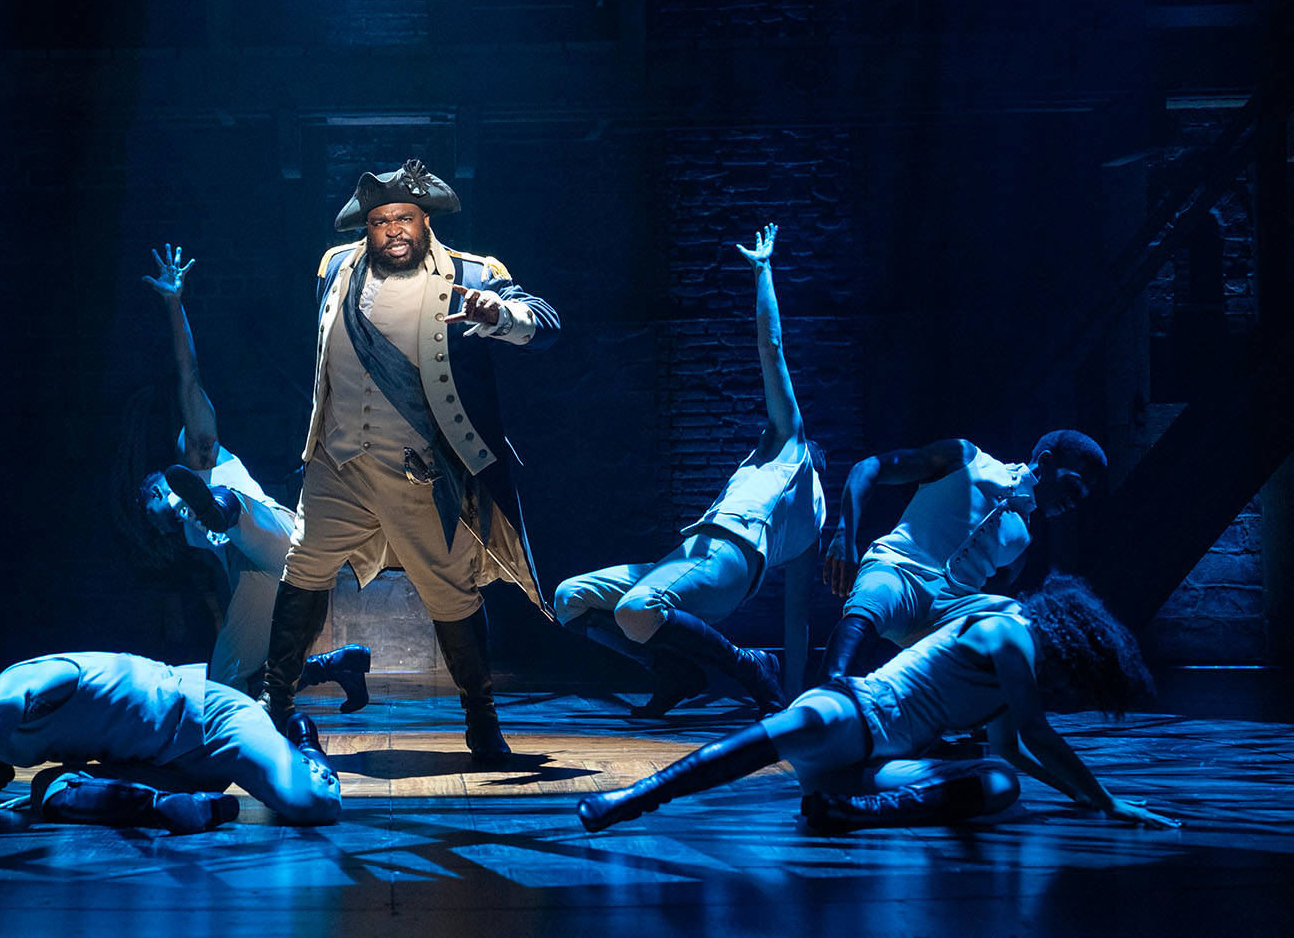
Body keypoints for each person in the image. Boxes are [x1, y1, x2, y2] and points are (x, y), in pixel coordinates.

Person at [261, 158, 560, 770]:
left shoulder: (475, 275)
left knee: (450, 591)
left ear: (426, 220)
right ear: (365, 229)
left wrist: (497, 315)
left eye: (404, 217)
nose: (392, 229)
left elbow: (546, 324)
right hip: (336, 463)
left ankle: (481, 719)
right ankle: (274, 706)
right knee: (302, 568)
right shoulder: (336, 269)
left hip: (419, 472)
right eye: (379, 220)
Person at [575, 576, 1180, 834]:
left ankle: (850, 812)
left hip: (869, 765)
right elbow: (1038, 733)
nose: (1071, 690)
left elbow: (1012, 750)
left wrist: (1086, 800)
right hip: (852, 714)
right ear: (1073, 646)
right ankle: (631, 800)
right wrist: (1106, 800)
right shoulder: (1011, 634)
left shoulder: (1013, 660)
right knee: (759, 744)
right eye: (1079, 679)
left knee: (998, 783)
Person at [553, 224, 824, 718]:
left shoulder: (793, 447)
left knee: (636, 611)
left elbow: (773, 349)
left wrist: (763, 272)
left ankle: (748, 666)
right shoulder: (782, 487)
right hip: (697, 562)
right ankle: (674, 671)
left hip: (728, 558)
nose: (767, 426)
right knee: (570, 598)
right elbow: (798, 609)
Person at [133, 244, 370, 708]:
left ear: (165, 479)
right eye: (153, 517)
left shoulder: (202, 457)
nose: (156, 515)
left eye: (156, 500)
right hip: (256, 575)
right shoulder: (190, 536)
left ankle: (219, 506)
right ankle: (339, 665)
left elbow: (190, 380)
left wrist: (174, 305)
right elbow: (225, 579)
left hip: (278, 534)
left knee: (222, 501)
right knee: (224, 695)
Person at [0, 652, 342, 833]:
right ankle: (193, 806)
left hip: (210, 721)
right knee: (48, 792)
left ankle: (304, 747)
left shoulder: (10, 690)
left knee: (315, 807)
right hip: (167, 764)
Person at [819, 429, 1108, 681]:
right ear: (1045, 461)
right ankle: (825, 699)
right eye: (1072, 485)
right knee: (876, 596)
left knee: (1015, 620)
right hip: (899, 570)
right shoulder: (968, 458)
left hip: (946, 611)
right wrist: (845, 535)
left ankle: (982, 727)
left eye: (1081, 497)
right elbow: (869, 467)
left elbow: (988, 603)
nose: (1073, 500)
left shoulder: (1022, 541)